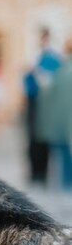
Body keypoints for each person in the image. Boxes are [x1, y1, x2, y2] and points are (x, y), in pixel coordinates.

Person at [24, 27, 61, 185]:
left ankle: (42, 173)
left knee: (43, 137)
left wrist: (37, 72)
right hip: (33, 101)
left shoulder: (52, 58)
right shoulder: (35, 56)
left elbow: (51, 81)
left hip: (45, 102)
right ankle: (35, 172)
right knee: (32, 137)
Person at [37, 37, 72, 190]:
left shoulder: (61, 71)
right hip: (64, 122)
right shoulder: (62, 70)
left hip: (62, 123)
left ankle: (66, 185)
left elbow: (49, 94)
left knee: (64, 155)